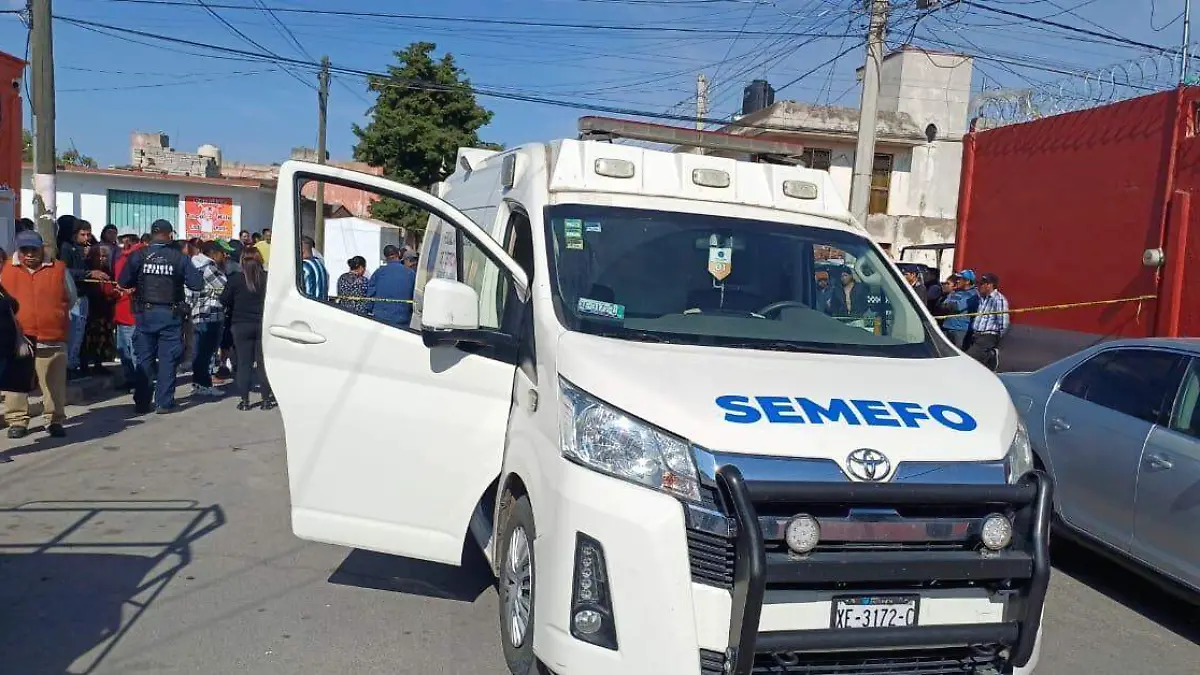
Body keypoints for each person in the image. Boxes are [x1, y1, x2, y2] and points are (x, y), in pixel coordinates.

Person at [118, 219, 204, 414]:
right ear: (170, 235)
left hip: (145, 315)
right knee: (168, 359)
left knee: (144, 359)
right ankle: (164, 402)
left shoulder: (139, 255)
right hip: (170, 315)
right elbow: (197, 284)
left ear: (152, 234)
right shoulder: (179, 258)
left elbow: (123, 281)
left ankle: (142, 401)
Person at [0, 230, 74, 438]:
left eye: (34, 249)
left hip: (52, 337)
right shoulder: (6, 268)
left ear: (42, 249)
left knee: (54, 385)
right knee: (15, 384)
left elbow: (71, 297)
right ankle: (17, 420)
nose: (30, 254)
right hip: (19, 338)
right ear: (18, 250)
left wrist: (55, 314)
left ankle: (54, 420)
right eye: (25, 250)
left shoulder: (59, 268)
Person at [220, 247, 274, 411]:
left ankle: (245, 401)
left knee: (244, 364)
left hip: (241, 324)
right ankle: (266, 400)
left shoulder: (236, 279)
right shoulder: (267, 278)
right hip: (263, 324)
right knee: (263, 364)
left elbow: (224, 300)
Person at [60, 219, 107, 379]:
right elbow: (66, 271)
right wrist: (89, 273)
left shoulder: (84, 248)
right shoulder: (66, 248)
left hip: (84, 295)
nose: (87, 238)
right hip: (75, 296)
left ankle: (74, 364)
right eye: (83, 234)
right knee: (74, 333)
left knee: (79, 333)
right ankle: (69, 366)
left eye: (88, 234)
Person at [188, 239, 230, 397]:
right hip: (211, 314)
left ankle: (198, 383)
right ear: (213, 253)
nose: (224, 256)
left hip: (198, 313)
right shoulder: (209, 267)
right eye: (222, 253)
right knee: (206, 352)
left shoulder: (194, 264)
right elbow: (225, 287)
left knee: (199, 351)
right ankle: (204, 384)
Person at [112, 237, 146, 392]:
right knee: (123, 349)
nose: (122, 244)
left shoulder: (137, 257)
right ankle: (131, 379)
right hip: (121, 307)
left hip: (130, 309)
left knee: (133, 349)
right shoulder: (123, 257)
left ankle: (139, 382)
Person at [81, 246, 118, 374]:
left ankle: (99, 363)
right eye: (99, 256)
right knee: (88, 338)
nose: (102, 259)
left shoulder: (108, 271)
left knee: (103, 338)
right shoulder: (87, 270)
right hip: (91, 308)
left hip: (105, 309)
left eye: (105, 256)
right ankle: (84, 365)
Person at [967, 272, 1010, 370]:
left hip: (988, 336)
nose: (979, 286)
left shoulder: (999, 300)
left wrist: (995, 338)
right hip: (976, 335)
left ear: (990, 285)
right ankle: (989, 357)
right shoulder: (983, 298)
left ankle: (991, 354)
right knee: (978, 365)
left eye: (982, 284)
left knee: (969, 358)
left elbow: (1004, 323)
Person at [368, 244, 417, 328]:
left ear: (385, 257)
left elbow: (370, 297)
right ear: (399, 254)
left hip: (380, 319)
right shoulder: (410, 273)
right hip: (402, 320)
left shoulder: (378, 273)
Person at [940, 270, 980, 349]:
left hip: (960, 330)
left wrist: (949, 305)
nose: (957, 281)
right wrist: (948, 305)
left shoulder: (973, 294)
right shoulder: (955, 292)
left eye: (960, 279)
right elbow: (942, 306)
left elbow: (956, 307)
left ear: (967, 281)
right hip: (947, 326)